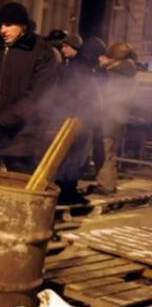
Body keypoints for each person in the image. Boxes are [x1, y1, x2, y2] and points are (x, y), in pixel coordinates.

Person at [0, 2, 58, 173]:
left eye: (8, 25)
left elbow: (39, 95)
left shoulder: (41, 53)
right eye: (0, 25)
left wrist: (4, 122)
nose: (3, 30)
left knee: (17, 191)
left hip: (22, 138)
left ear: (23, 26)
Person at [53, 33, 102, 205]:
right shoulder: (76, 65)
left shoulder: (78, 66)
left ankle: (67, 191)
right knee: (72, 156)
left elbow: (81, 94)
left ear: (75, 48)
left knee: (74, 156)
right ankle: (66, 191)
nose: (63, 49)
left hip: (78, 117)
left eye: (66, 46)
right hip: (75, 116)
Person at [95, 42, 139, 194]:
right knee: (111, 151)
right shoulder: (130, 74)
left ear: (114, 58)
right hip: (119, 117)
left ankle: (105, 185)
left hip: (108, 116)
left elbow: (103, 96)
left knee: (104, 151)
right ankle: (110, 183)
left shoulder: (113, 75)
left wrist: (101, 67)